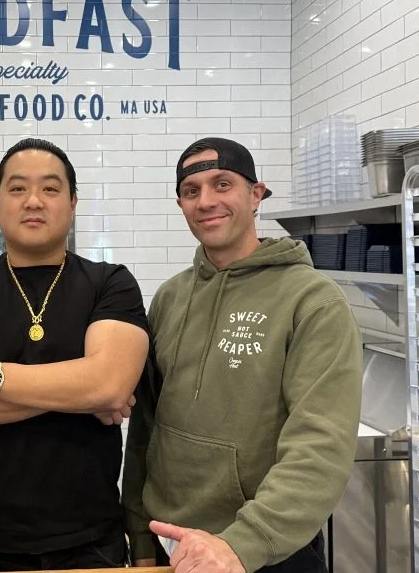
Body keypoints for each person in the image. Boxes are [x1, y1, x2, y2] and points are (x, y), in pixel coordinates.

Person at [122, 137, 362, 573]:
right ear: (180, 204)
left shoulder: (313, 301)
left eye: (222, 184)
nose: (206, 201)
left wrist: (241, 545)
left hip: (265, 551)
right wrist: (140, 532)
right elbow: (146, 428)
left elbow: (320, 446)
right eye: (191, 191)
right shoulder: (170, 298)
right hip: (170, 543)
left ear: (255, 195)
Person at [0, 137, 150, 572]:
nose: (33, 201)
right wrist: (82, 393)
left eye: (50, 188)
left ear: (72, 202)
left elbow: (109, 385)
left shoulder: (111, 283)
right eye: (17, 188)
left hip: (92, 541)